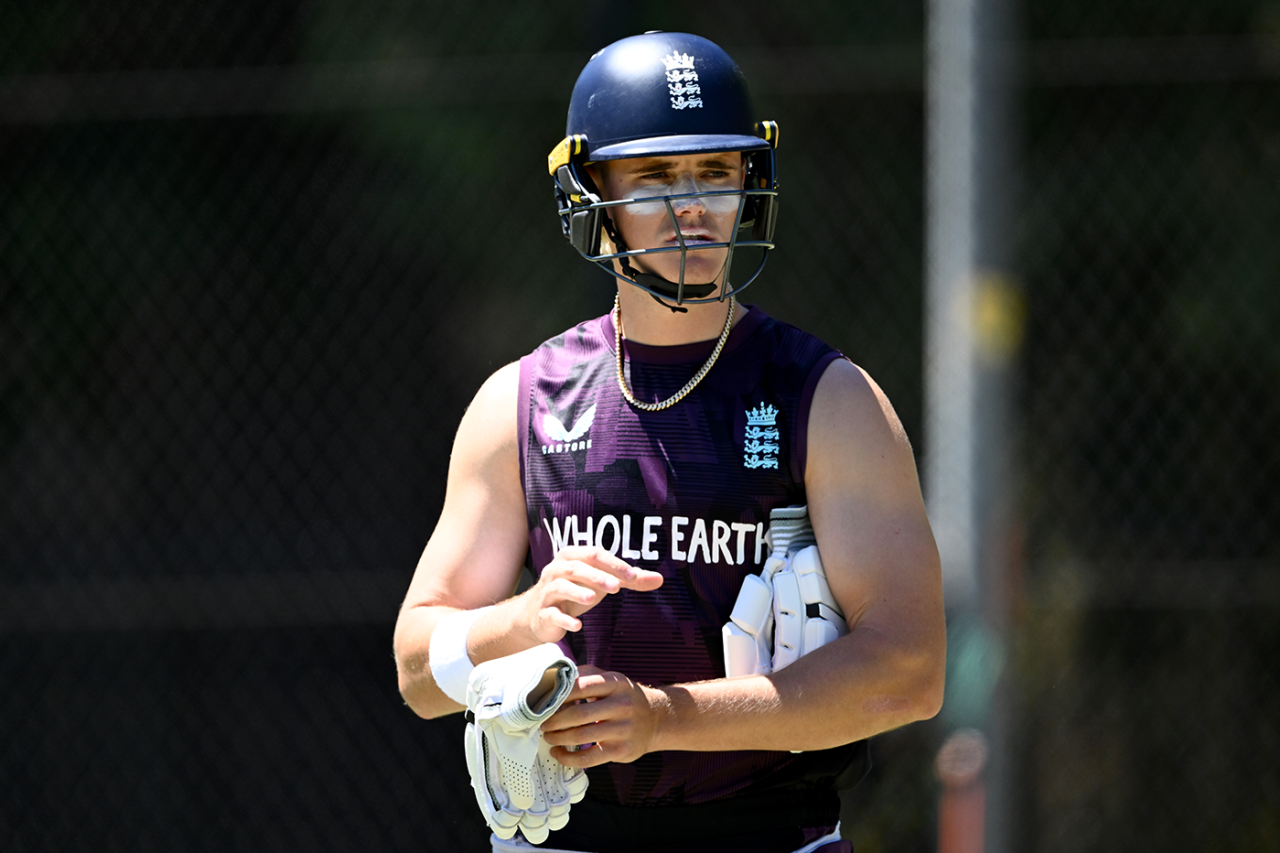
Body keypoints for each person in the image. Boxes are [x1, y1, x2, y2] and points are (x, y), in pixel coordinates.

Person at [393, 31, 946, 853]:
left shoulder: (830, 398)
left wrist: (662, 717)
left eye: (716, 171)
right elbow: (417, 672)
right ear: (591, 192)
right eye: (654, 176)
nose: (692, 204)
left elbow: (910, 672)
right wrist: (519, 618)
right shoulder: (519, 401)